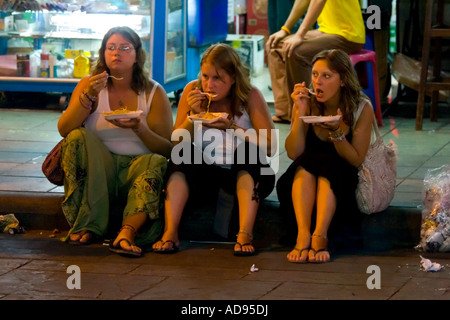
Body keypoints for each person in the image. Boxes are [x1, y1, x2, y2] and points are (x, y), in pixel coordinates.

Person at [57, 26, 173, 257]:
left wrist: (141, 129)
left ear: (137, 55)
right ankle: (88, 225)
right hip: (100, 171)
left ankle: (127, 232)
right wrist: (87, 96)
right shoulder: (89, 85)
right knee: (76, 137)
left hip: (137, 168)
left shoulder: (153, 92)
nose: (116, 53)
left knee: (156, 161)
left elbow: (168, 148)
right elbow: (64, 129)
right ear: (103, 54)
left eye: (124, 48)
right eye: (110, 48)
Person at [152, 43, 276, 256]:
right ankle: (170, 232)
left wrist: (232, 128)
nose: (209, 84)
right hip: (206, 174)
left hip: (247, 173)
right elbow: (176, 142)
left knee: (247, 151)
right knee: (181, 155)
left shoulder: (250, 95)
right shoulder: (193, 91)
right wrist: (194, 114)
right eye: (206, 76)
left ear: (234, 78)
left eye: (218, 78)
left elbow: (271, 146)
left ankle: (245, 233)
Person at [277, 49, 374, 263]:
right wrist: (299, 112)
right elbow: (294, 152)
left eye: (326, 76)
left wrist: (336, 132)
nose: (317, 82)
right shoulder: (307, 101)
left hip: (340, 178)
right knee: (306, 163)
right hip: (304, 181)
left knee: (328, 165)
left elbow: (356, 159)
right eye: (314, 75)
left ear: (342, 80)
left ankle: (320, 235)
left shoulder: (361, 107)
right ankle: (303, 233)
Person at [265, 0, 365, 123]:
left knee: (296, 52)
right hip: (326, 30)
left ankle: (308, 111)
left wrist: (300, 34)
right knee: (276, 46)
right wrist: (285, 29)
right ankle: (286, 112)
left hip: (347, 34)